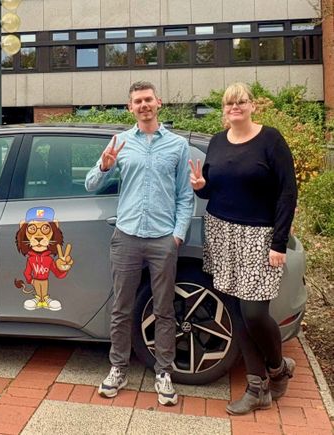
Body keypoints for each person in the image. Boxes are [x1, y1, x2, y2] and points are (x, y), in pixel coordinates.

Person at [189, 82, 297, 415]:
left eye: (241, 101)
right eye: (229, 103)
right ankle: (256, 388)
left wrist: (279, 242)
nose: (235, 107)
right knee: (237, 312)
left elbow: (287, 193)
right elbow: (212, 189)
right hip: (222, 232)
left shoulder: (271, 140)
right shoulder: (217, 142)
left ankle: (278, 367)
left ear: (252, 105)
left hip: (259, 237)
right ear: (224, 110)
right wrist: (200, 187)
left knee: (254, 313)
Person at [85, 81, 194, 406]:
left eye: (148, 99)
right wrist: (104, 166)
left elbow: (185, 196)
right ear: (130, 107)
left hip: (162, 239)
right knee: (121, 308)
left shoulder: (177, 146)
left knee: (164, 309)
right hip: (127, 236)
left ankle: (163, 372)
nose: (144, 105)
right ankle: (118, 368)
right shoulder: (120, 143)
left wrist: (177, 235)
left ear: (158, 102)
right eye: (138, 101)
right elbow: (91, 184)